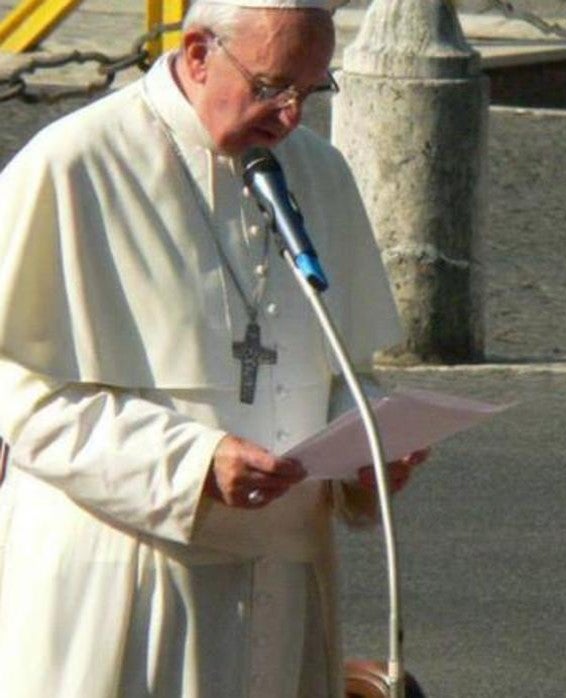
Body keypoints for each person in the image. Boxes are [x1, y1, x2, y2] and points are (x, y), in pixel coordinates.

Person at [0, 1, 427, 695]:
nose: (290, 117)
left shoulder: (318, 172)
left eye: (310, 92)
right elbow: (24, 396)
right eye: (270, 87)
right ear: (198, 52)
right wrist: (192, 464)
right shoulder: (74, 163)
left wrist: (370, 442)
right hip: (125, 583)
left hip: (282, 584)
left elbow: (338, 364)